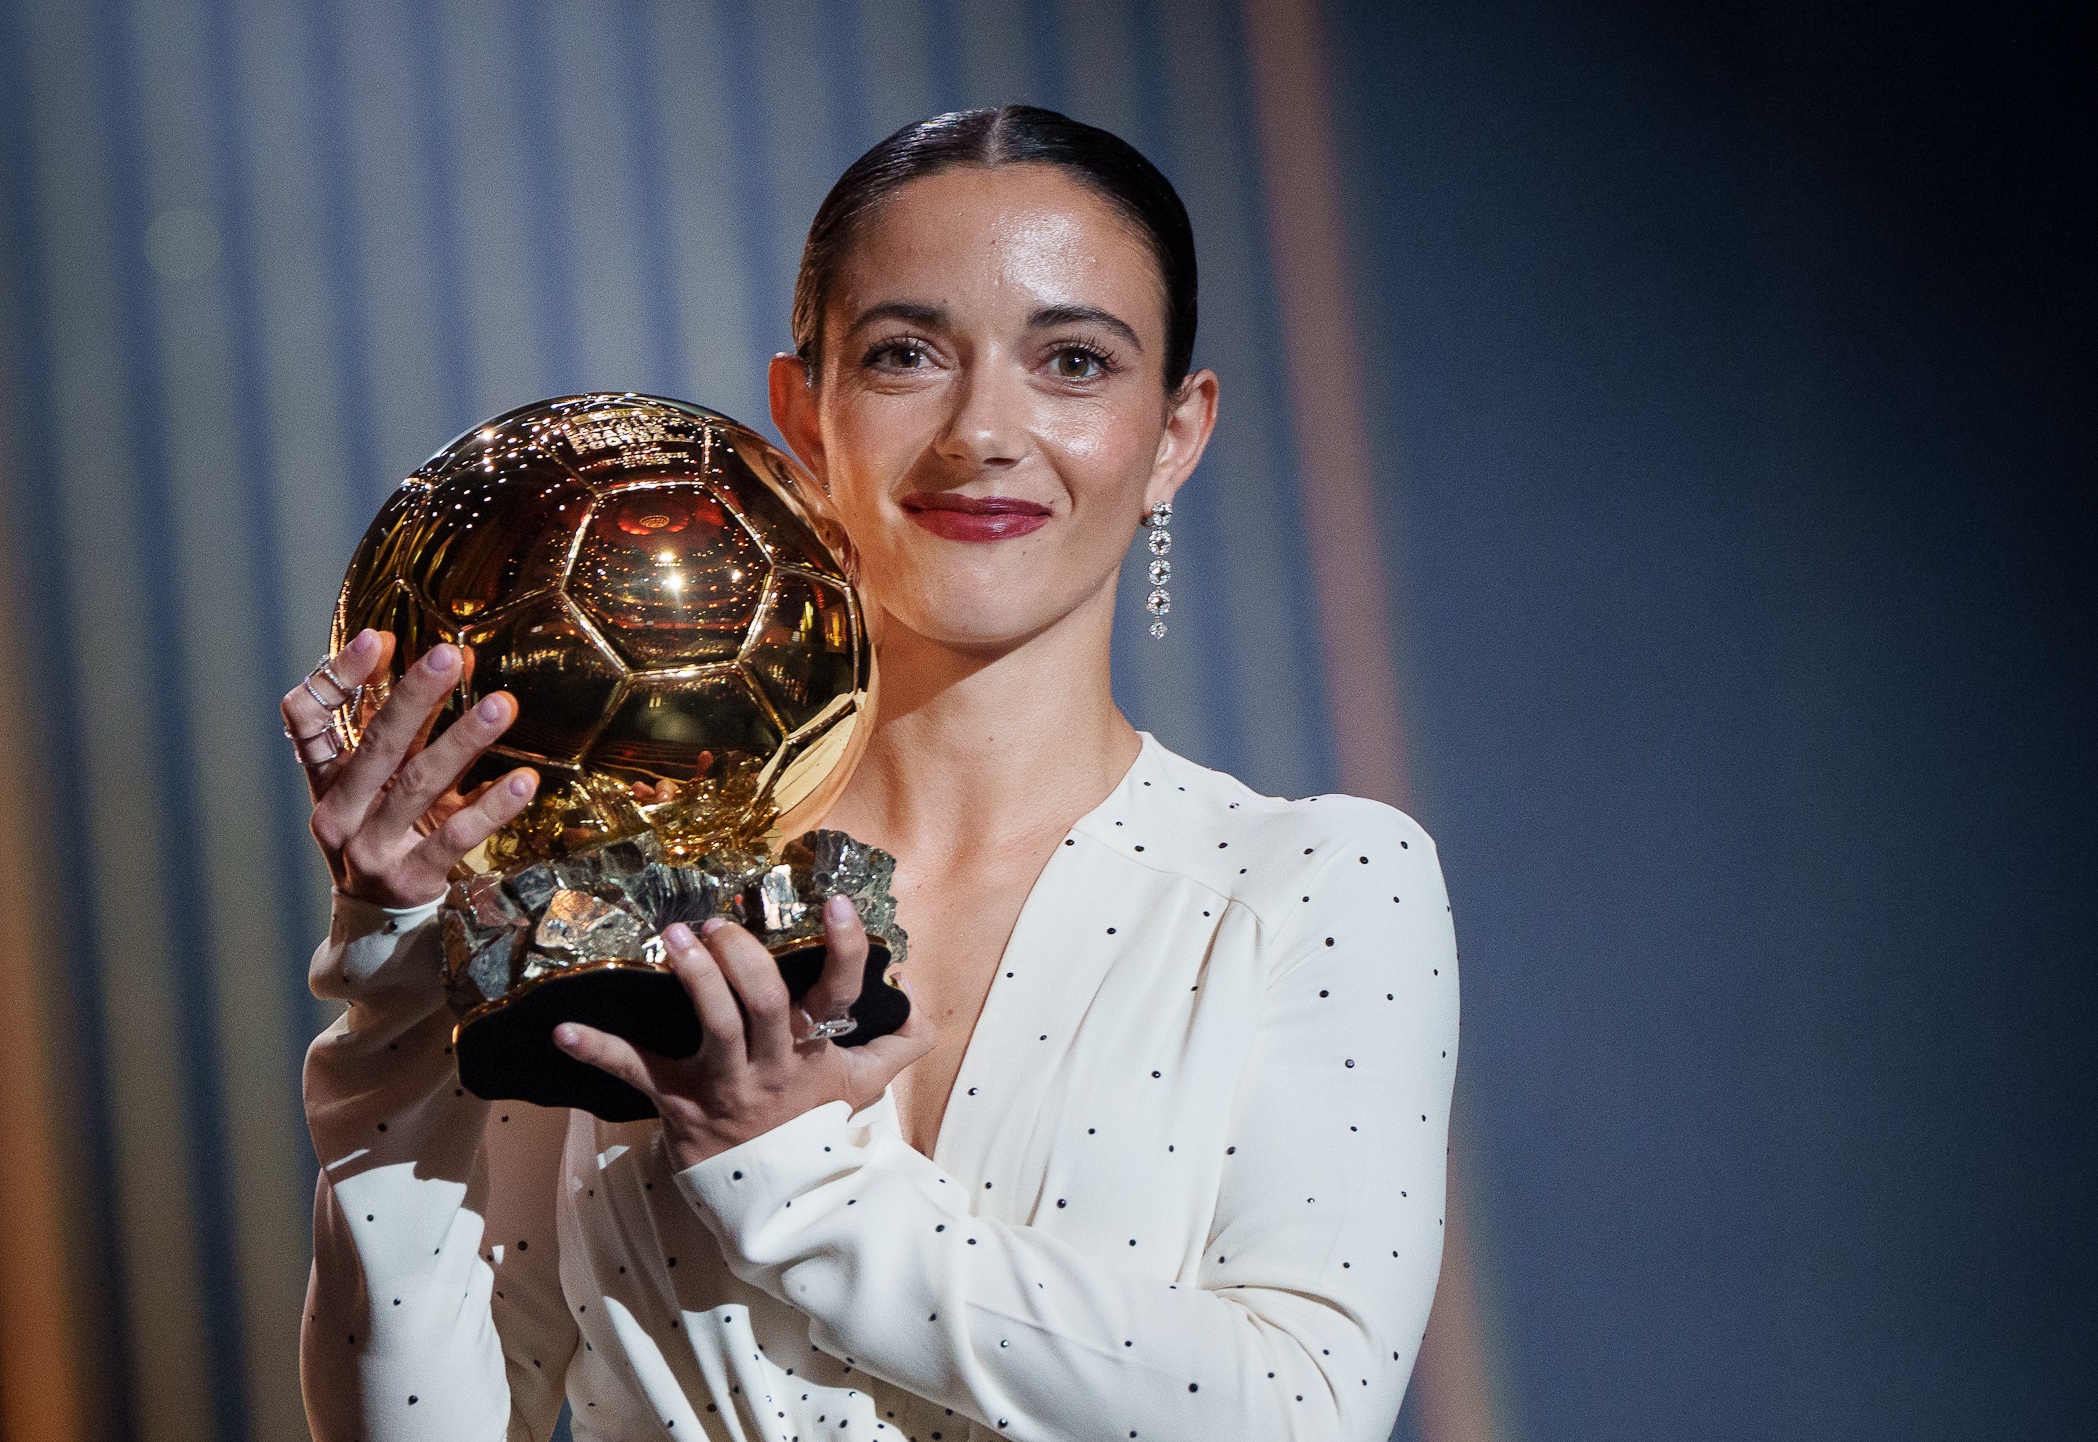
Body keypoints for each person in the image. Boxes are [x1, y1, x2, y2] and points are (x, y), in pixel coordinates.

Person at [280, 106, 1457, 1442]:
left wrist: (791, 1178)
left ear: (1175, 433)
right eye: (905, 354)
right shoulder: (615, 876)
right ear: (803, 413)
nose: (984, 431)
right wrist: (392, 990)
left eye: (1073, 360)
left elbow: (1299, 1411)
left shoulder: (1315, 880)